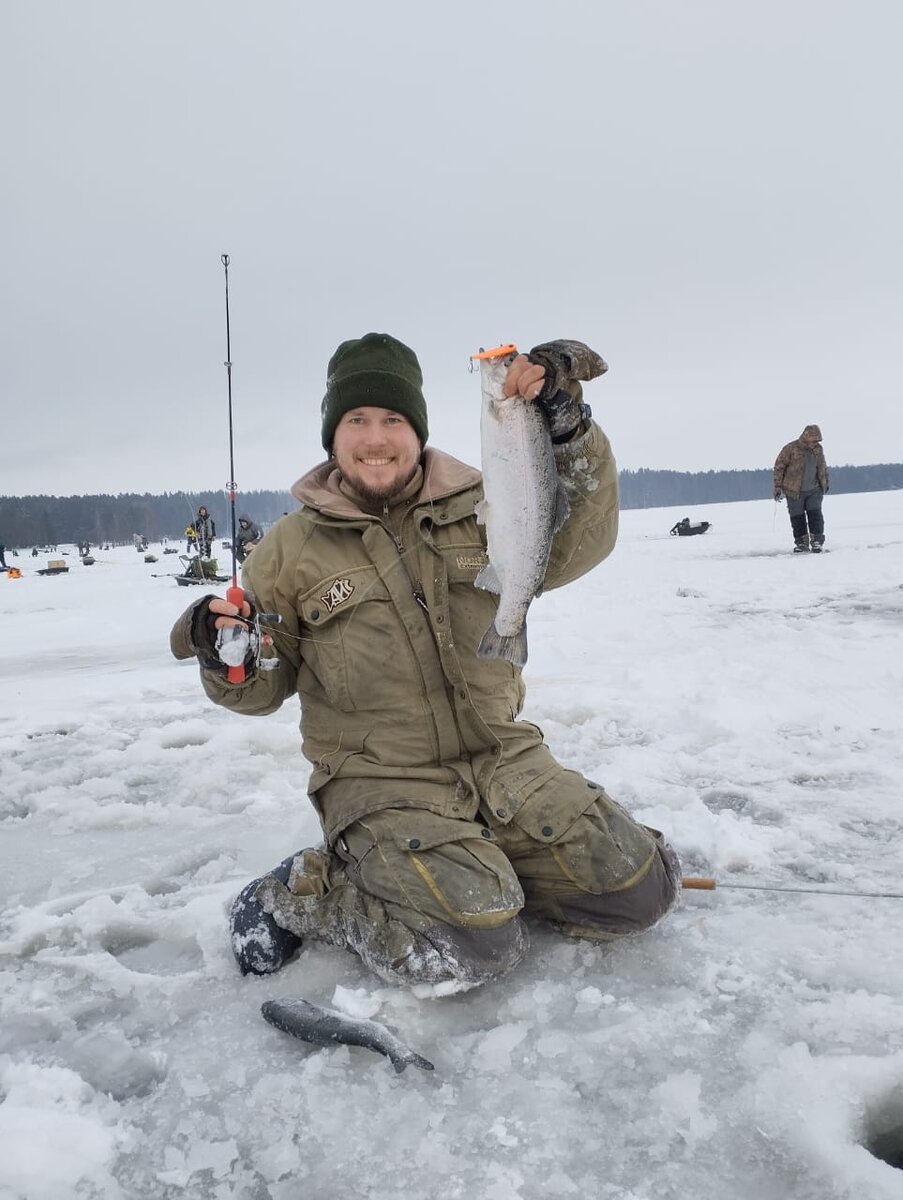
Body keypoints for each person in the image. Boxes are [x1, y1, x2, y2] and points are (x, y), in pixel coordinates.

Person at [170, 333, 680, 991]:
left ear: (418, 430)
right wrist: (227, 657)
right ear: (333, 434)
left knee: (637, 892)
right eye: (356, 420)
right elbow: (263, 688)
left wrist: (564, 427)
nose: (375, 436)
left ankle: (487, 864)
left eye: (392, 419)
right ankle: (317, 888)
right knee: (470, 945)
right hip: (384, 782)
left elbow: (581, 540)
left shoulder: (484, 503)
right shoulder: (286, 550)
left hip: (504, 761)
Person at [773, 425, 829, 552]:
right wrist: (777, 487)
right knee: (797, 518)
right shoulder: (790, 449)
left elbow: (823, 467)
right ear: (807, 437)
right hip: (794, 491)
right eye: (814, 440)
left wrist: (825, 482)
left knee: (815, 515)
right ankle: (801, 543)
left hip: (814, 490)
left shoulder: (818, 450)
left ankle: (817, 542)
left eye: (818, 441)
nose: (816, 443)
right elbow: (779, 467)